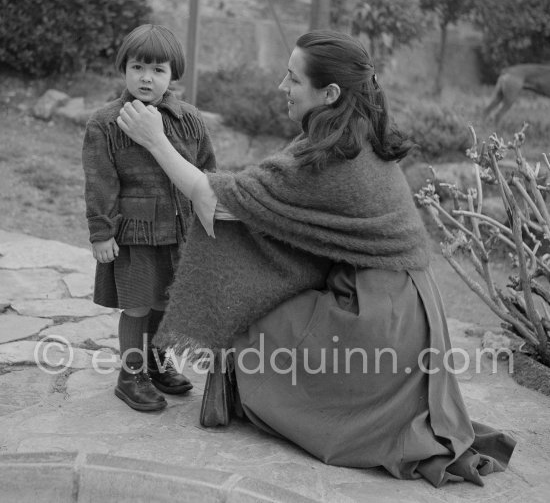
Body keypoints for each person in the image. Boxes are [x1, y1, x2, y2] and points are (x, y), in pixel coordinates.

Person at [116, 30, 515, 486]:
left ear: (329, 93)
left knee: (247, 314)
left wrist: (155, 140)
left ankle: (275, 401)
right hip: (404, 310)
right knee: (255, 291)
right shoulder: (350, 134)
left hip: (379, 320)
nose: (281, 88)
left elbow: (221, 199)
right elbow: (259, 200)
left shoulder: (330, 158)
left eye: (292, 79)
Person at [82, 24, 216, 412]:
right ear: (124, 68)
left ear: (173, 75)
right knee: (138, 305)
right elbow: (99, 182)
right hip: (135, 233)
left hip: (179, 232)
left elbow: (206, 170)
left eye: (158, 70)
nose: (146, 77)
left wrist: (210, 219)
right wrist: (101, 233)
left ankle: (157, 365)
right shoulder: (106, 123)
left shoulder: (189, 119)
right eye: (138, 67)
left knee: (163, 303)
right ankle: (131, 374)